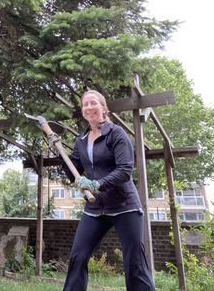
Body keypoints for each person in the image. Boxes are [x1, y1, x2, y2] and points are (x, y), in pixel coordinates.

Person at [62, 89, 155, 291]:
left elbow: (125, 170)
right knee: (78, 257)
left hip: (125, 206)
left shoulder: (116, 133)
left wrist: (97, 185)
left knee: (134, 263)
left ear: (104, 108)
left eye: (93, 103)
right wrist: (59, 150)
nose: (88, 107)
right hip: (95, 209)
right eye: (85, 104)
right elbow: (73, 172)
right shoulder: (81, 140)